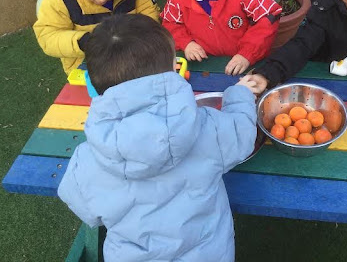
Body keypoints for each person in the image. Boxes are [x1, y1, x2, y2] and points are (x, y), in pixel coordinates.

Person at [57, 14, 258, 262]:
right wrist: (239, 95)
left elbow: (85, 209)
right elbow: (242, 134)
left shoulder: (86, 159)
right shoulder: (207, 127)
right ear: (171, 68)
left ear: (96, 80)